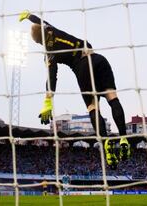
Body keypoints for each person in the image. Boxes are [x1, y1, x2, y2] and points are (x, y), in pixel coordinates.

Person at [19, 11, 129, 168]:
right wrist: (29, 16)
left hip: (82, 68)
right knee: (112, 98)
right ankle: (124, 137)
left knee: (93, 108)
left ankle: (106, 143)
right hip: (98, 58)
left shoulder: (49, 54)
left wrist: (48, 101)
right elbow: (40, 21)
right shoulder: (51, 29)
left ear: (38, 42)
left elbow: (52, 77)